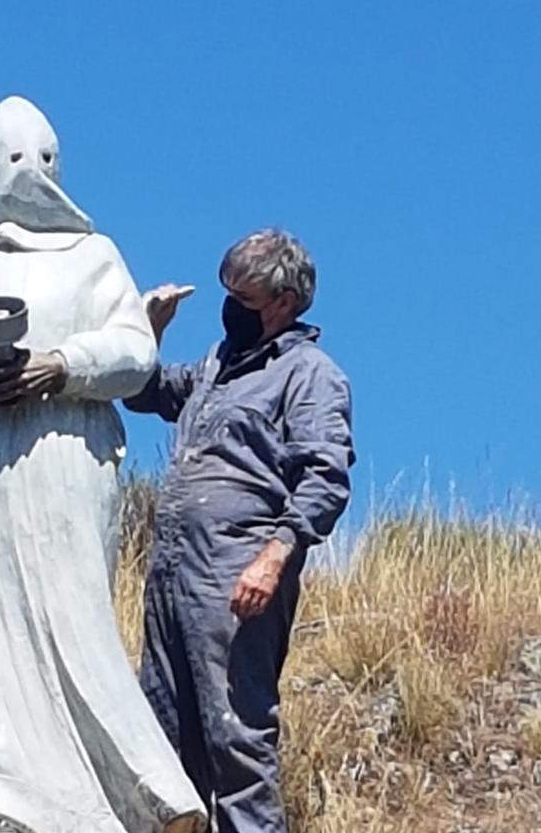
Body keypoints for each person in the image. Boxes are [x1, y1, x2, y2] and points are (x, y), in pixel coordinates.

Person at [0, 96, 206, 833]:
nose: (28, 172)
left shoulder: (94, 256)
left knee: (70, 619)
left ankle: (143, 796)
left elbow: (134, 352)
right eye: (11, 156)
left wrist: (62, 363)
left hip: (63, 459)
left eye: (40, 157)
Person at [124, 229, 355, 833]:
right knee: (165, 731)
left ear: (283, 302)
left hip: (237, 573)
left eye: (245, 299)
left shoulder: (309, 374)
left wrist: (273, 558)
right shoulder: (217, 365)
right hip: (172, 571)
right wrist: (150, 328)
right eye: (227, 293)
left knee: (235, 735)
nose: (231, 309)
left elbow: (325, 478)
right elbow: (146, 392)